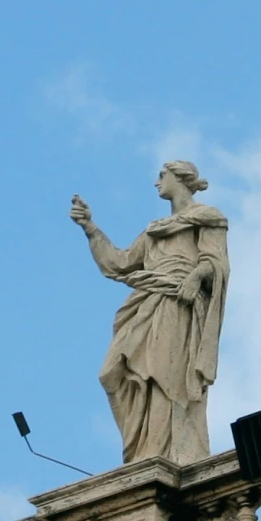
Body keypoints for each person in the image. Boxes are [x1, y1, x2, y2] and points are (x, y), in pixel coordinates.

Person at [69, 162, 229, 466]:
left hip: (176, 302)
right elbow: (119, 263)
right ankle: (141, 447)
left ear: (180, 179)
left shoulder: (207, 219)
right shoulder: (154, 230)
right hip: (146, 301)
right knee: (113, 372)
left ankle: (162, 452)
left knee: (163, 375)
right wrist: (90, 228)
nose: (157, 183)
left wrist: (196, 276)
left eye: (161, 176)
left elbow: (216, 262)